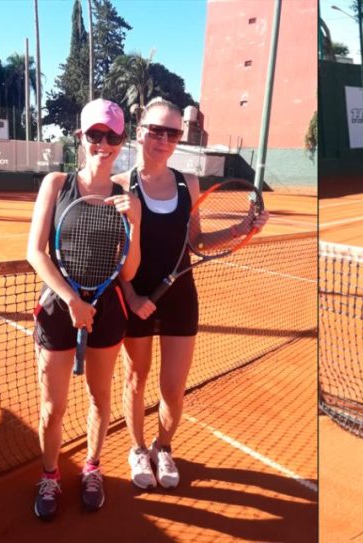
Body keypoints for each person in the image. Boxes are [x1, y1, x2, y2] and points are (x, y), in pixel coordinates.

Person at [114, 98, 268, 490]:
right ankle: (137, 449)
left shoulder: (189, 183)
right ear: (140, 132)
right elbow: (114, 253)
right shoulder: (122, 184)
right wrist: (131, 296)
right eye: (156, 130)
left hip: (180, 297)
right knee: (135, 379)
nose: (164, 139)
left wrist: (241, 228)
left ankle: (163, 447)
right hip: (137, 298)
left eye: (173, 133)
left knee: (173, 388)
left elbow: (195, 241)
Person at [26, 98, 141, 519]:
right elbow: (35, 252)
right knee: (52, 408)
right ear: (81, 136)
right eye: (95, 134)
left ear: (122, 141)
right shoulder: (57, 184)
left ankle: (92, 467)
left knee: (99, 397)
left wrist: (136, 222)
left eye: (112, 136)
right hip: (59, 309)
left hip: (107, 311)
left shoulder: (126, 197)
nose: (103, 144)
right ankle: (50, 475)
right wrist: (72, 300)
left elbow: (129, 269)